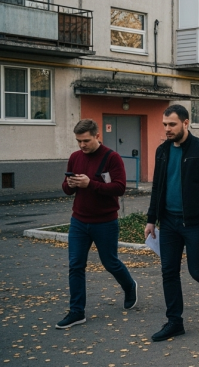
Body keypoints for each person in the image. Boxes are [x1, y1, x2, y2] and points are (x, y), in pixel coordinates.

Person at [144, 104, 199, 342]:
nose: (167, 129)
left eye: (172, 124)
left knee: (198, 270)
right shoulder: (162, 150)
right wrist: (151, 219)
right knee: (169, 272)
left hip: (195, 222)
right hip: (169, 222)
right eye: (164, 124)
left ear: (185, 123)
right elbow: (157, 187)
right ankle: (175, 322)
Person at [57, 119, 137, 329]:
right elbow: (66, 189)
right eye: (78, 141)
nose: (82, 145)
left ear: (97, 136)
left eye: (85, 140)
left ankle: (129, 286)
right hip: (79, 221)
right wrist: (71, 184)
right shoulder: (75, 157)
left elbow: (119, 188)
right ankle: (77, 312)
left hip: (105, 221)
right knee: (76, 265)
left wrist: (90, 184)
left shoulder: (112, 157)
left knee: (110, 262)